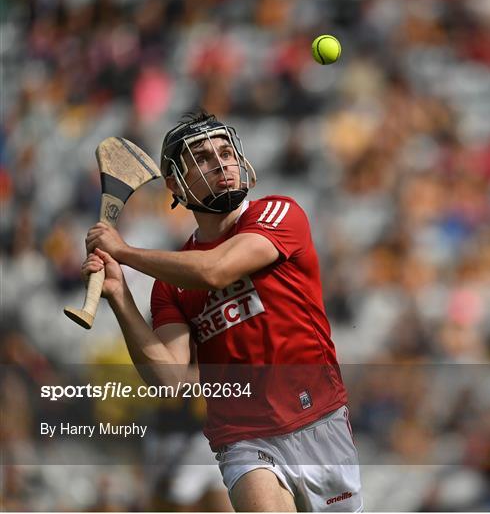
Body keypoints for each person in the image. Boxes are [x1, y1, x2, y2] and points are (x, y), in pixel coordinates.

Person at [82, 111, 362, 512]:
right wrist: (119, 295)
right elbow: (169, 379)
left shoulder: (278, 214)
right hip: (244, 437)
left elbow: (215, 271)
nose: (222, 164)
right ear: (176, 184)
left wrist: (124, 252)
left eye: (226, 153)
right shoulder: (170, 283)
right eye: (203, 157)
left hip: (320, 421)